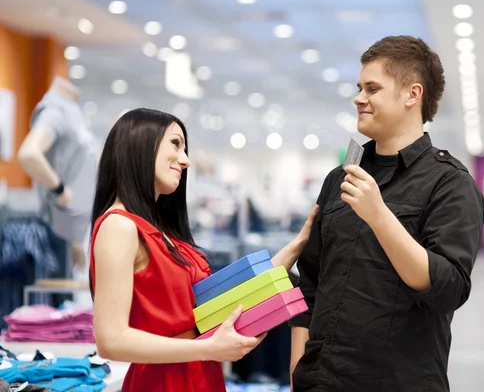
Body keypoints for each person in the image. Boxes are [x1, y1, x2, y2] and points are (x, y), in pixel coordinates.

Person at [289, 36, 484, 392]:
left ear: (413, 94)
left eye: (372, 88)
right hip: (321, 380)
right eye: (359, 87)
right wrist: (297, 370)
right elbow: (311, 281)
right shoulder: (340, 178)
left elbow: (448, 289)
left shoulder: (450, 185)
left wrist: (379, 216)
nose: (358, 98)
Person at [89, 108, 318, 392]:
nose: (185, 160)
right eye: (175, 144)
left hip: (200, 376)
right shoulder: (119, 227)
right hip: (164, 382)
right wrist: (208, 348)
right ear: (140, 142)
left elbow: (223, 302)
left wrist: (300, 242)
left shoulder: (163, 233)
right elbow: (111, 341)